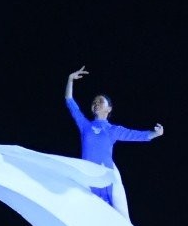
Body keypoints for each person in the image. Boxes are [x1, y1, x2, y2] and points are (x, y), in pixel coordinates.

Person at [63, 66, 163, 214]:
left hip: (104, 182)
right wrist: (70, 79)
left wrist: (155, 134)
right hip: (86, 179)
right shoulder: (85, 126)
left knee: (108, 220)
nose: (96, 103)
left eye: (100, 101)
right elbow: (70, 102)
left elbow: (136, 135)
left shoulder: (113, 130)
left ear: (109, 109)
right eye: (94, 102)